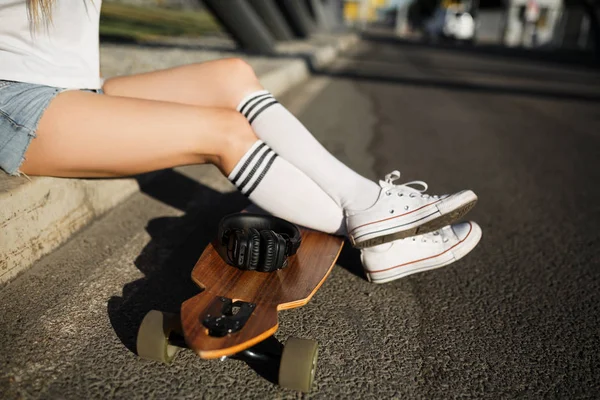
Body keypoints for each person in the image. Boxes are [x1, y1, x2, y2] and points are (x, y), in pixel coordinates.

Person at [0, 0, 482, 284]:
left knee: (233, 76)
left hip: (71, 86)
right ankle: (374, 227)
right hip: (14, 101)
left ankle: (370, 212)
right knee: (224, 132)